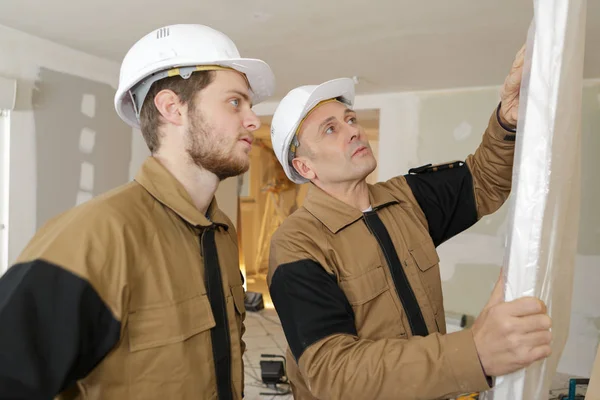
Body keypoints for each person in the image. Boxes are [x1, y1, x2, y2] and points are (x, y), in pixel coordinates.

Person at [0, 24, 274, 399]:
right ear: (172, 108)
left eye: (250, 105)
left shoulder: (221, 231)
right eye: (234, 102)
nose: (253, 120)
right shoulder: (95, 234)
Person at [267, 45, 552, 400]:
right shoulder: (297, 244)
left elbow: (482, 181)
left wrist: (508, 121)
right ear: (305, 168)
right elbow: (333, 373)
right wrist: (473, 352)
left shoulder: (405, 198)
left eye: (350, 119)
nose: (353, 131)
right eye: (330, 129)